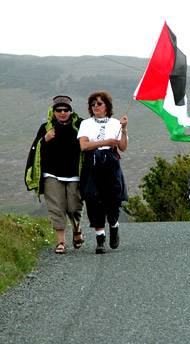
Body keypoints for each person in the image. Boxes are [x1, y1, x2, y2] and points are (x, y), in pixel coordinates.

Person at [25, 95, 84, 254]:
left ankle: (77, 229)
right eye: (59, 110)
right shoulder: (45, 128)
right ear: (53, 111)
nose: (62, 113)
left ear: (71, 111)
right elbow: (35, 148)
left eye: (66, 110)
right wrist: (45, 139)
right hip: (51, 173)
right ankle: (61, 242)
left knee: (73, 207)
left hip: (74, 174)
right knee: (56, 208)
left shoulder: (80, 125)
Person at [77, 91, 128, 254]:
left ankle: (114, 225)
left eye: (99, 103)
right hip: (92, 164)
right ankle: (100, 239)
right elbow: (84, 146)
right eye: (93, 104)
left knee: (112, 199)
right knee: (92, 199)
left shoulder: (115, 123)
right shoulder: (86, 124)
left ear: (107, 106)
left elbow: (122, 147)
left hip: (111, 164)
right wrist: (106, 141)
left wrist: (124, 129)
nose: (95, 107)